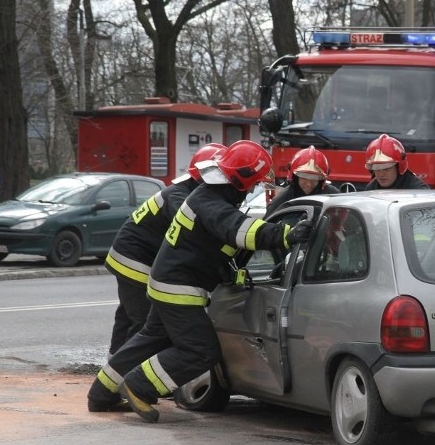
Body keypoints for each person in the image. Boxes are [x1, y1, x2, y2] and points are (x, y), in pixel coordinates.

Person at [87, 140, 313, 420]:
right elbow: (239, 231)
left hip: (169, 282)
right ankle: (139, 386)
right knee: (200, 350)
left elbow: (216, 245)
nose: (255, 189)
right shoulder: (211, 201)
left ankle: (101, 394)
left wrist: (232, 271)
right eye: (255, 183)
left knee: (150, 339)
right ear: (244, 179)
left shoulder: (208, 195)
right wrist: (285, 235)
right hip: (178, 287)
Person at [100, 143, 226, 366]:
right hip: (137, 260)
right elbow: (193, 234)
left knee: (127, 316)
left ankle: (113, 366)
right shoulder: (182, 198)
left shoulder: (180, 191)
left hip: (128, 254)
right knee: (144, 321)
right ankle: (128, 374)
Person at [265, 145, 340, 217]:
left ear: (321, 181)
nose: (309, 184)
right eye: (304, 177)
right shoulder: (282, 199)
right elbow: (267, 225)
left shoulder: (333, 196)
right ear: (295, 177)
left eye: (314, 179)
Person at [363, 133, 429, 190]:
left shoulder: (418, 191)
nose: (381, 174)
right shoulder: (371, 189)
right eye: (377, 169)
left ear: (398, 167)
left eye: (386, 169)